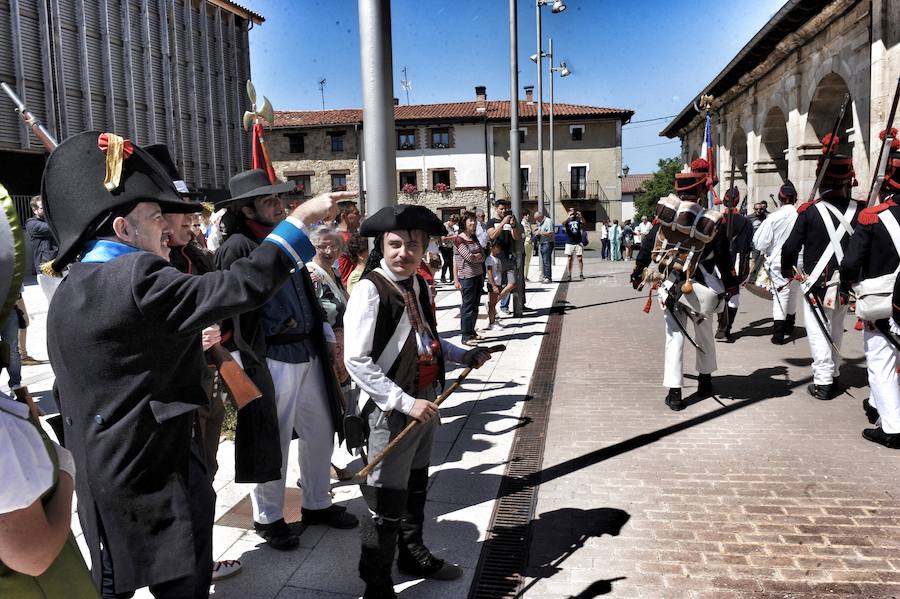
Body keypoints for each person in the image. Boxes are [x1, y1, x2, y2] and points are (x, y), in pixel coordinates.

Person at [43, 131, 343, 598]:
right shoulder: (136, 273)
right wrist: (299, 222)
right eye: (154, 216)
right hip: (159, 473)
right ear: (123, 230)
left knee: (114, 582)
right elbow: (238, 287)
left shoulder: (71, 286)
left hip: (105, 476)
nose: (167, 226)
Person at [343, 204, 493, 599]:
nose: (403, 252)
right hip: (390, 408)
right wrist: (404, 402)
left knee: (415, 487)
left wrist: (463, 355)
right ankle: (376, 583)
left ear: (424, 248)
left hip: (425, 399)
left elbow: (424, 338)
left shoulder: (420, 285)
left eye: (412, 244)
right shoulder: (369, 290)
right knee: (386, 498)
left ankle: (412, 555)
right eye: (394, 244)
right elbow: (355, 360)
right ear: (382, 245)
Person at [216, 171, 358, 553]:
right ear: (246, 209)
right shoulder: (237, 247)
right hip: (269, 356)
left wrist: (325, 335)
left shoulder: (285, 240)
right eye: (268, 202)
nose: (279, 206)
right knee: (273, 440)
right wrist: (237, 360)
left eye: (278, 199)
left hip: (307, 348)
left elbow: (305, 290)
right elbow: (230, 308)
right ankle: (269, 517)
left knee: (321, 429)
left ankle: (317, 502)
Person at [144, 143, 241, 581]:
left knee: (205, 472)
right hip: (166, 396)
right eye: (180, 213)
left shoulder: (193, 257)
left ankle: (201, 557)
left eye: (190, 213)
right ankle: (178, 565)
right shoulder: (142, 265)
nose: (192, 219)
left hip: (205, 384)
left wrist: (217, 334)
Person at [631, 158, 738, 411]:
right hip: (702, 287)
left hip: (670, 285)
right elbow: (724, 258)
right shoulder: (712, 221)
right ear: (701, 191)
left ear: (679, 192)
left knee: (674, 337)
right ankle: (705, 380)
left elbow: (646, 249)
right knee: (704, 335)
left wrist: (637, 274)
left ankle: (675, 393)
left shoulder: (664, 220)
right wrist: (731, 284)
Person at [781, 134, 860, 401]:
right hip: (847, 282)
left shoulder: (809, 212)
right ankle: (834, 372)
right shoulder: (861, 210)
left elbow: (790, 249)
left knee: (818, 331)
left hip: (817, 281)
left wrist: (787, 270)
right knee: (836, 328)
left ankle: (824, 381)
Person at [842, 130, 900, 448]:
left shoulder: (873, 218)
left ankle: (892, 428)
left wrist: (851, 284)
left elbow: (851, 263)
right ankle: (880, 407)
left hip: (887, 303)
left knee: (882, 362)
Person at [753, 180, 800, 344]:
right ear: (795, 198)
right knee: (792, 292)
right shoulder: (801, 215)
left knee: (781, 295)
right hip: (799, 261)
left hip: (778, 261)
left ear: (780, 199)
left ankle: (779, 334)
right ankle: (789, 326)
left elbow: (760, 243)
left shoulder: (773, 218)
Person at [716, 187, 753, 342]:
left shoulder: (716, 219)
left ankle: (721, 325)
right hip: (736, 262)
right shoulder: (745, 222)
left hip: (717, 261)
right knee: (734, 295)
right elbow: (748, 245)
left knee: (719, 292)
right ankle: (727, 327)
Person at [453, 211, 485, 345]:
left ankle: (472, 332)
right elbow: (469, 257)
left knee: (475, 306)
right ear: (464, 223)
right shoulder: (459, 239)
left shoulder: (474, 238)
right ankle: (465, 336)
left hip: (478, 275)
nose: (473, 223)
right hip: (467, 277)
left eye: (474, 220)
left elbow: (483, 255)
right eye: (470, 220)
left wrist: (478, 256)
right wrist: (477, 256)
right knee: (467, 307)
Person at [486, 199, 521, 315]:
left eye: (505, 209)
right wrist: (502, 223)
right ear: (496, 209)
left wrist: (513, 225)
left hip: (508, 257)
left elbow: (516, 237)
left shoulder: (509, 221)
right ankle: (498, 307)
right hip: (496, 258)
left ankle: (492, 304)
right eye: (501, 209)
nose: (504, 211)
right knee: (498, 286)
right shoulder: (491, 222)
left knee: (512, 283)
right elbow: (492, 235)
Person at [25, 195, 61, 302]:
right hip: (46, 270)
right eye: (42, 207)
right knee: (54, 302)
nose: (46, 208)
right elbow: (51, 228)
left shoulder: (52, 221)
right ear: (34, 210)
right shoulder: (31, 224)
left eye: (47, 206)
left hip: (62, 266)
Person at [485, 242, 514, 331]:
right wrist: (493, 285)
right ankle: (491, 323)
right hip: (493, 284)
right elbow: (489, 273)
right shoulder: (490, 259)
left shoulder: (496, 259)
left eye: (499, 247)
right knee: (492, 305)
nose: (498, 249)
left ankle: (493, 321)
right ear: (491, 248)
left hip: (498, 283)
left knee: (493, 304)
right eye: (496, 247)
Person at [336, 202, 362, 286]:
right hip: (349, 286)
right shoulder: (342, 238)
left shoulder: (348, 235)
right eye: (356, 213)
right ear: (344, 216)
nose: (360, 216)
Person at [564, 208, 586, 278]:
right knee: (569, 258)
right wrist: (568, 217)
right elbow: (563, 223)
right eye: (570, 210)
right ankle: (569, 274)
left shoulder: (578, 219)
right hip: (569, 242)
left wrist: (581, 216)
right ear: (569, 212)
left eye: (573, 211)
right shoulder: (567, 220)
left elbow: (584, 222)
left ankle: (581, 273)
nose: (572, 212)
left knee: (579, 258)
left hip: (578, 242)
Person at [534, 210, 554, 283]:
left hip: (547, 243)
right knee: (544, 261)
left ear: (540, 217)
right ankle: (546, 276)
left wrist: (540, 232)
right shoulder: (541, 223)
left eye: (537, 219)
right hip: (543, 243)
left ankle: (548, 277)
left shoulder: (548, 221)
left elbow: (550, 233)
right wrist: (537, 229)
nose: (536, 220)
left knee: (546, 261)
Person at [438, 214, 458, 283]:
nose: (454, 224)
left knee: (451, 263)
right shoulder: (444, 226)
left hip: (450, 246)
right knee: (446, 262)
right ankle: (442, 277)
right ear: (450, 220)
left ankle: (452, 278)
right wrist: (453, 237)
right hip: (444, 247)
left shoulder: (452, 227)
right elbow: (443, 238)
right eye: (454, 222)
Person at [521, 211, 533, 281]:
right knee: (525, 260)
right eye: (526, 215)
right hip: (525, 243)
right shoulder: (522, 223)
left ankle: (526, 276)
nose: (528, 216)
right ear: (524, 215)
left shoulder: (528, 223)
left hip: (530, 243)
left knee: (528, 261)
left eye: (528, 214)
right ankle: (523, 275)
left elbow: (530, 233)